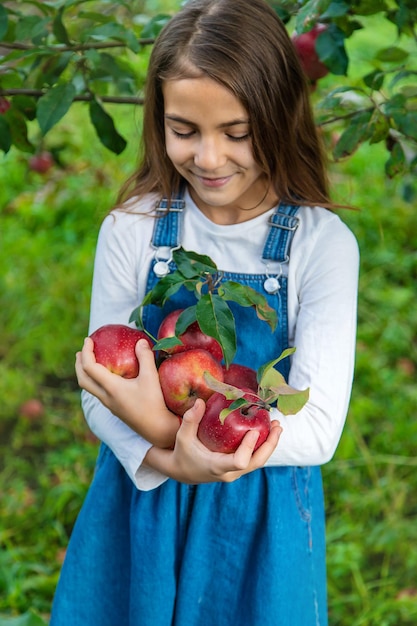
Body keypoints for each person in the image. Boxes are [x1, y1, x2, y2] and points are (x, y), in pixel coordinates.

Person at [50, 0, 359, 624]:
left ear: (278, 117)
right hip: (140, 498)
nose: (209, 158)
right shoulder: (134, 229)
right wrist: (169, 458)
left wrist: (171, 438)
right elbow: (98, 388)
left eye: (237, 133)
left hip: (256, 513)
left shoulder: (318, 245)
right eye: (184, 130)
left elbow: (319, 426)